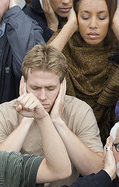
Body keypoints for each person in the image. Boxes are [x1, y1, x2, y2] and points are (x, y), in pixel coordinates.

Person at [0, 44, 103, 187]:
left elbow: (96, 171)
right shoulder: (2, 114)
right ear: (23, 84)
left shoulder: (80, 111)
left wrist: (57, 122)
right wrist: (27, 120)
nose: (42, 96)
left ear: (63, 86)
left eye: (50, 88)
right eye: (35, 87)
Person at [49, 0, 119, 141]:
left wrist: (117, 26)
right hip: (63, 135)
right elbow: (40, 68)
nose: (93, 25)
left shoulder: (116, 45)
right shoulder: (65, 42)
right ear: (75, 16)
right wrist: (70, 26)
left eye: (102, 17)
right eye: (85, 17)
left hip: (111, 141)